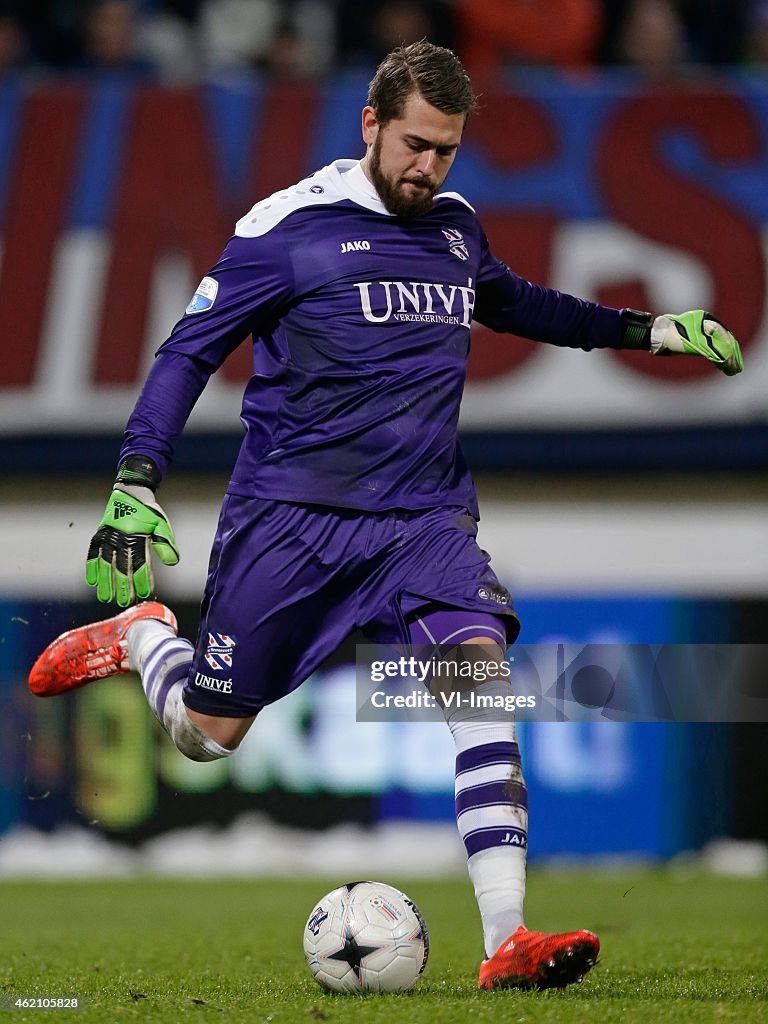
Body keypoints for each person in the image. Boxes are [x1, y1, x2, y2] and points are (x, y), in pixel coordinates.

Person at [29, 40, 743, 990]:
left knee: (480, 682)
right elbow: (185, 353)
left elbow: (513, 303)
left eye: (445, 150)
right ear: (370, 123)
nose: (427, 168)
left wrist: (640, 328)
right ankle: (145, 638)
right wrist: (136, 478)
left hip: (424, 520)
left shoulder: (453, 226)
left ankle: (507, 943)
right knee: (207, 735)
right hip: (291, 520)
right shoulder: (287, 227)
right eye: (413, 145)